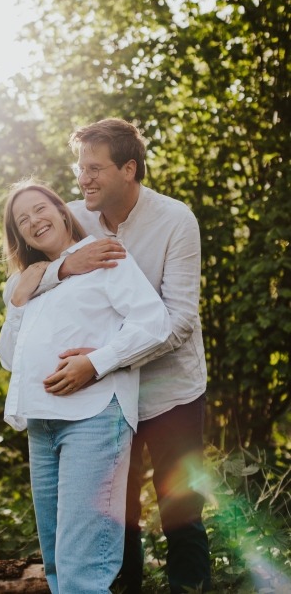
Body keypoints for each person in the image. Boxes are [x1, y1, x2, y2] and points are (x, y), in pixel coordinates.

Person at [36, 118, 212, 593]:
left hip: (171, 391)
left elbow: (178, 321)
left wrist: (100, 359)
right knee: (116, 515)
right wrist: (63, 269)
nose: (83, 178)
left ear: (129, 169)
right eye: (80, 167)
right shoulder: (74, 218)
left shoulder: (176, 220)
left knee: (181, 510)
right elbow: (25, 285)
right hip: (109, 400)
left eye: (94, 168)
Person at [0, 180, 171, 594]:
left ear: (61, 209)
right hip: (42, 424)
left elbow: (154, 323)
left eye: (40, 209)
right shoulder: (26, 281)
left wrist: (95, 362)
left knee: (82, 570)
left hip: (94, 417)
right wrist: (20, 299)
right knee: (58, 565)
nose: (34, 221)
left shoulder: (103, 257)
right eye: (22, 221)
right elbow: (9, 358)